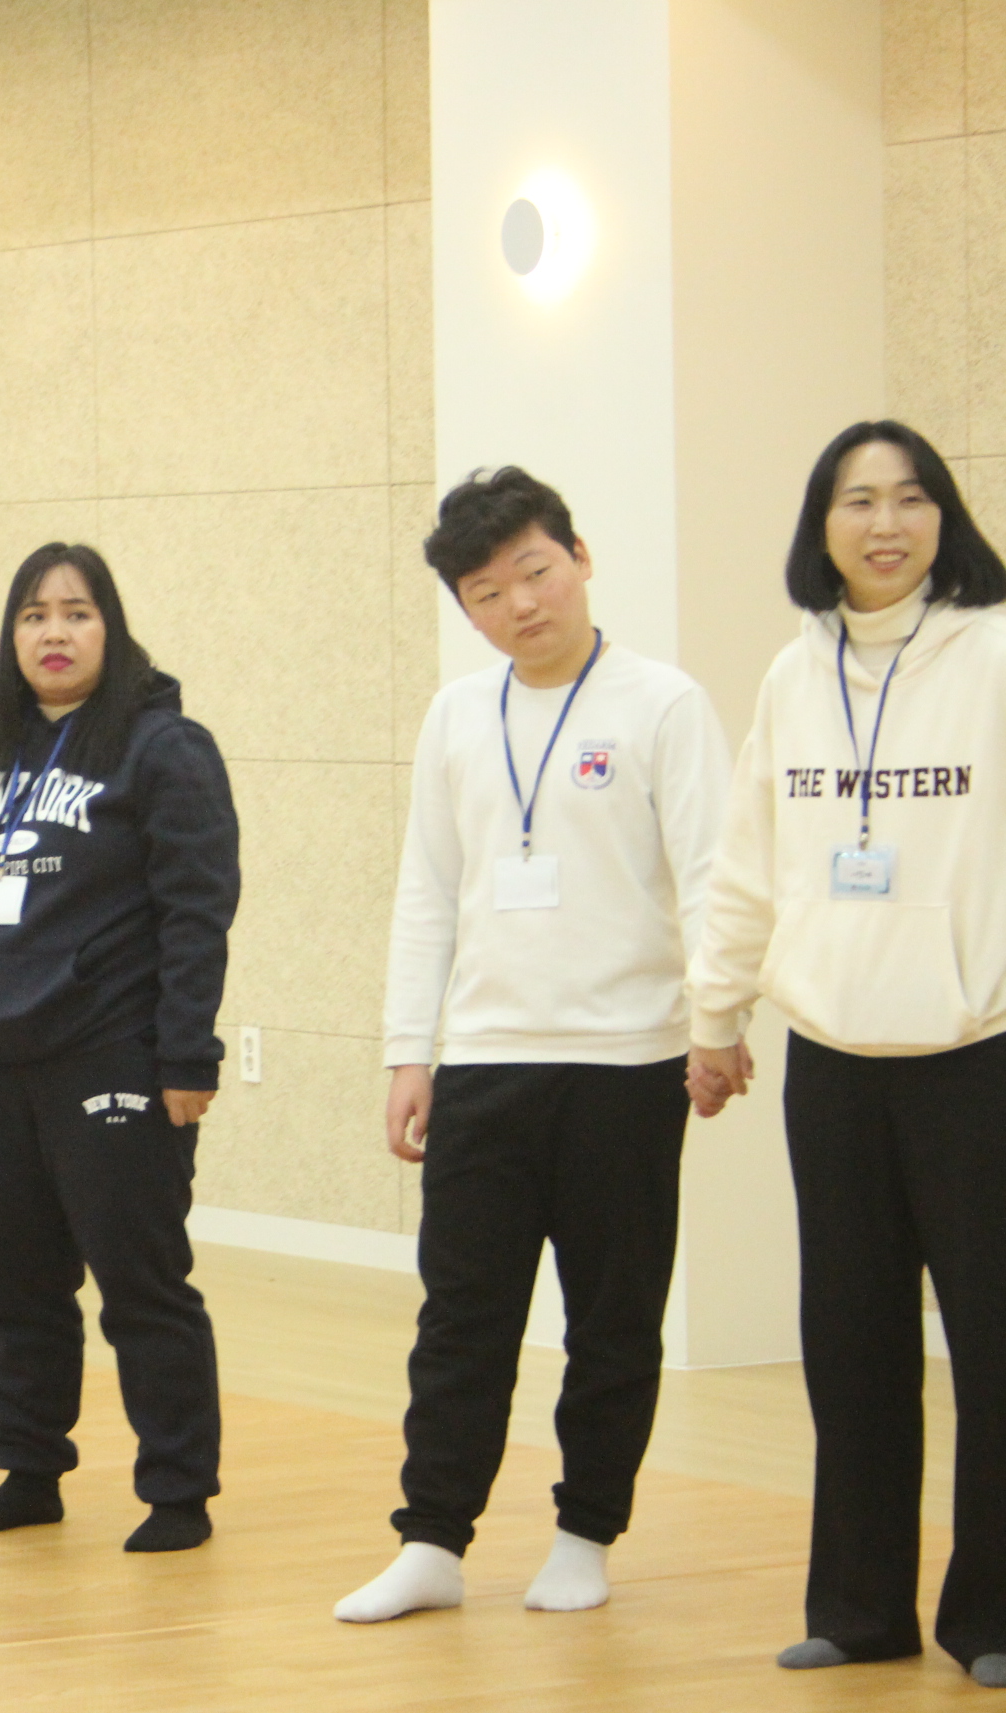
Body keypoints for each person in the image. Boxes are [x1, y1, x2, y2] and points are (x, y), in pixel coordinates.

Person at [334, 468, 731, 1624]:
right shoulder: (457, 717)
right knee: (461, 1317)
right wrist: (410, 1051)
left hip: (630, 1064)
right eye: (487, 592)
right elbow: (427, 891)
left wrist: (718, 1022)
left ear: (581, 558)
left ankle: (585, 1535)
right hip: (486, 1061)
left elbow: (713, 878)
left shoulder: (663, 705)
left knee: (612, 1320)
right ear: (467, 610)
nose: (519, 604)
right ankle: (431, 1542)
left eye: (535, 572)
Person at [688, 421, 1006, 1688]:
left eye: (912, 499)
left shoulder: (996, 652)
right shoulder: (792, 675)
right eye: (859, 501)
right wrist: (716, 1019)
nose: (886, 524)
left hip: (977, 1054)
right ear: (822, 526)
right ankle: (860, 1609)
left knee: (992, 1347)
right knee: (852, 1343)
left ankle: (992, 1616)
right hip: (831, 1057)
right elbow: (748, 863)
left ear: (946, 518)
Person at [0, 542, 239, 1555]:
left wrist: (187, 1055)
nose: (54, 633)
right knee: (17, 1289)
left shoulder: (163, 748)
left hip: (111, 1054)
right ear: (12, 635)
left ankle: (177, 1493)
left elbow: (197, 911)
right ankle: (29, 1472)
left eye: (76, 613)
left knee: (141, 1285)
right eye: (34, 615)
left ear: (110, 628)